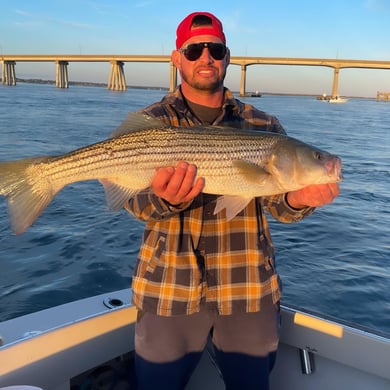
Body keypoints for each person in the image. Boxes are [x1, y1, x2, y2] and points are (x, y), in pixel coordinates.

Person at [123, 11, 340, 390]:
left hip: (249, 291)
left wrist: (297, 199)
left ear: (227, 57)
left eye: (215, 49)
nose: (205, 57)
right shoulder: (151, 120)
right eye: (194, 50)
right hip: (168, 290)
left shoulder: (264, 125)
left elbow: (277, 206)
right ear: (177, 58)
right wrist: (167, 201)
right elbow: (134, 203)